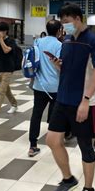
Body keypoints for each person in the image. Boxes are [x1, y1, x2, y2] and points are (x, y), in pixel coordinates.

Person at [45, 4, 95, 191]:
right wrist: (57, 64)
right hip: (62, 99)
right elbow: (68, 67)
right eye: (62, 22)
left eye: (67, 21)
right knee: (52, 140)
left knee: (85, 147)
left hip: (82, 101)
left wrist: (86, 100)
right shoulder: (67, 41)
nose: (65, 25)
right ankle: (68, 179)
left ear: (79, 19)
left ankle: (89, 190)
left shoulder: (93, 42)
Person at [28, 20, 63, 157]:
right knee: (55, 115)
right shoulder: (59, 45)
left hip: (39, 85)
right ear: (59, 30)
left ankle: (32, 145)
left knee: (36, 114)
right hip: (55, 86)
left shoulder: (38, 42)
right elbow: (60, 67)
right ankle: (55, 142)